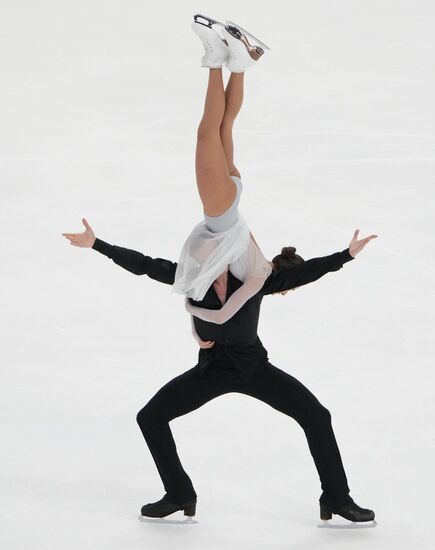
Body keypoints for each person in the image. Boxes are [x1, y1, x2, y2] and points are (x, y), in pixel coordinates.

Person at [62, 216, 377, 524]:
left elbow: (306, 272)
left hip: (253, 368)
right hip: (211, 371)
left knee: (316, 416)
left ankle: (336, 498)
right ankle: (179, 493)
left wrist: (345, 255)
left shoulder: (256, 281)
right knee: (150, 417)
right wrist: (97, 245)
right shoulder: (190, 279)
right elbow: (145, 265)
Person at [172, 15, 274, 328]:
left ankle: (241, 63)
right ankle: (216, 60)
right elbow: (222, 315)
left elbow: (241, 234)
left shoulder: (262, 265)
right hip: (219, 207)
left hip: (231, 198)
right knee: (207, 132)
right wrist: (191, 313)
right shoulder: (258, 279)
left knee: (223, 127)